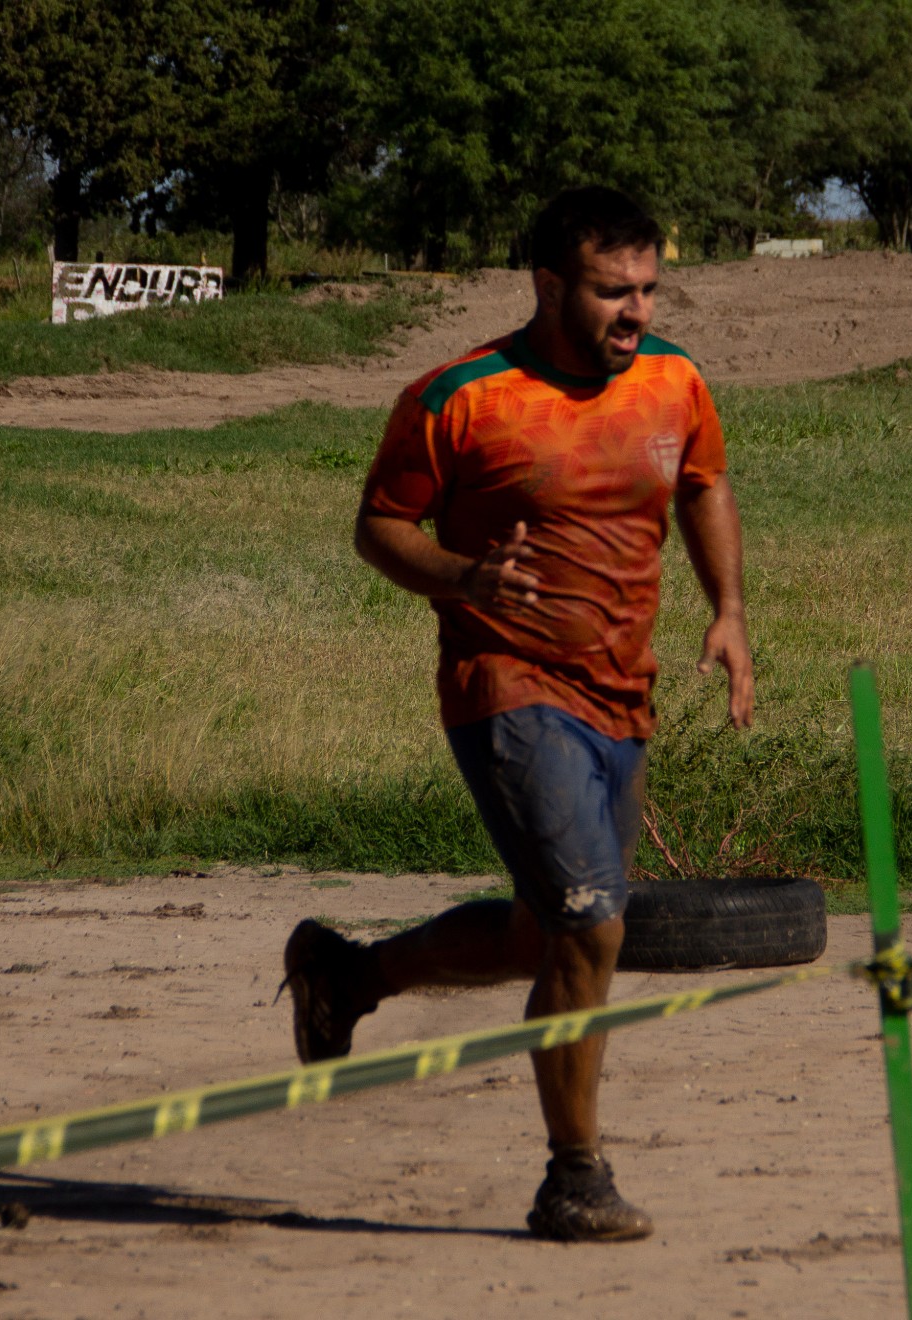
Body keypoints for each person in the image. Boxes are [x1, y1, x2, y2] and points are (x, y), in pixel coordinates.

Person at [281, 186, 754, 1242]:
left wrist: (727, 612)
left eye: (646, 289)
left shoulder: (675, 380)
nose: (634, 312)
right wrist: (463, 578)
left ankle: (346, 976)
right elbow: (378, 526)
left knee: (544, 932)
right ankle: (573, 1177)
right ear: (548, 286)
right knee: (593, 924)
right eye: (609, 292)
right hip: (503, 685)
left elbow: (704, 485)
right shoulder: (458, 398)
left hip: (620, 694)